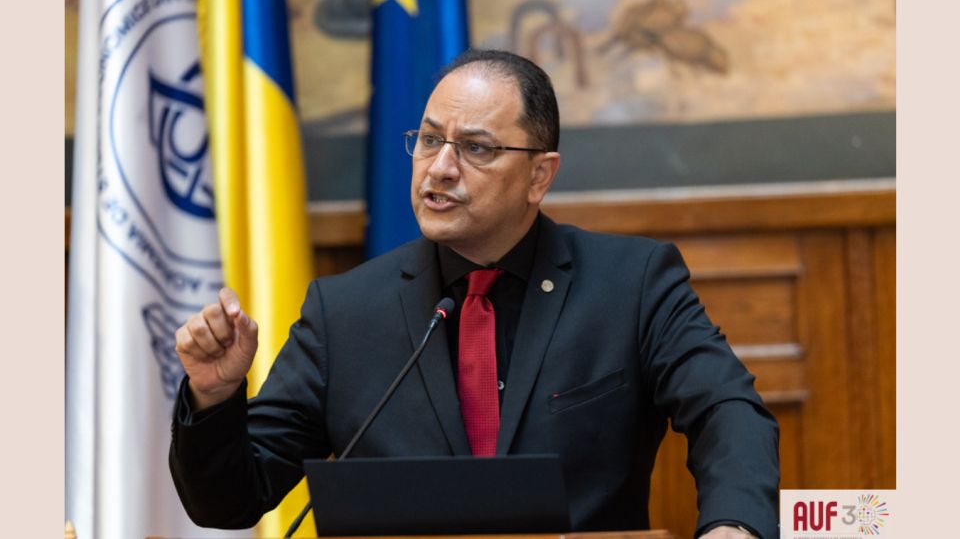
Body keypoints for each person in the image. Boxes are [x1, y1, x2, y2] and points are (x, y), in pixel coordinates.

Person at [169, 49, 779, 539]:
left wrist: (734, 525)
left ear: (539, 175)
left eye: (476, 148)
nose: (439, 168)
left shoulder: (631, 284)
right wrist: (213, 396)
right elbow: (231, 500)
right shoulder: (345, 313)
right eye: (429, 139)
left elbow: (726, 409)